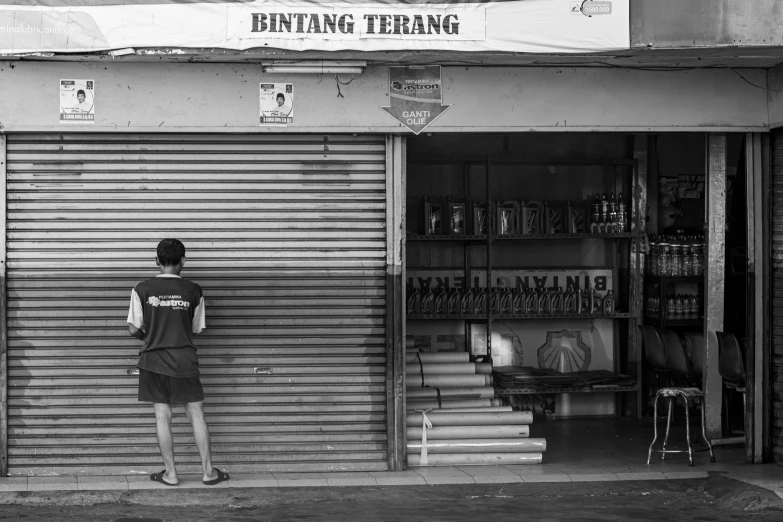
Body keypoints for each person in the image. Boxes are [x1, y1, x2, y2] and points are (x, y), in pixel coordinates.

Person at [127, 238, 229, 486]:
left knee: (162, 416)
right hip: (184, 360)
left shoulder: (141, 289)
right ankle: (208, 473)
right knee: (196, 414)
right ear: (183, 261)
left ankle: (171, 474)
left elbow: (132, 329)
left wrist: (150, 336)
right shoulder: (193, 290)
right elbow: (197, 329)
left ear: (156, 261)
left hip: (152, 360)